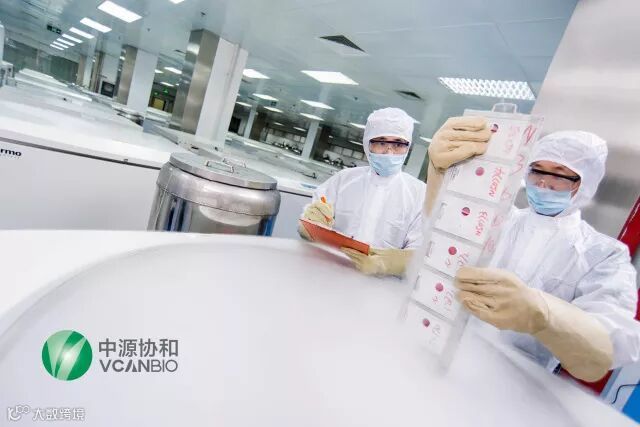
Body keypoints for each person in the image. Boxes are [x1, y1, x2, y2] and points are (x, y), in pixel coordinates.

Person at [426, 117, 640, 382]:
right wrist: (438, 172)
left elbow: (613, 345)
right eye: (537, 171)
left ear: (583, 183)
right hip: (452, 357)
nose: (543, 184)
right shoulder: (500, 218)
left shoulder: (604, 254)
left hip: (520, 383)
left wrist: (543, 315)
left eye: (559, 175)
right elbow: (441, 232)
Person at [299, 107, 425, 276]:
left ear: (407, 147)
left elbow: (419, 254)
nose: (389, 152)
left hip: (381, 285)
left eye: (398, 144)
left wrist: (384, 265)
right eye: (381, 142)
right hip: (329, 273)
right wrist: (312, 222)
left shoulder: (420, 194)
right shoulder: (343, 180)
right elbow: (309, 220)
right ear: (367, 144)